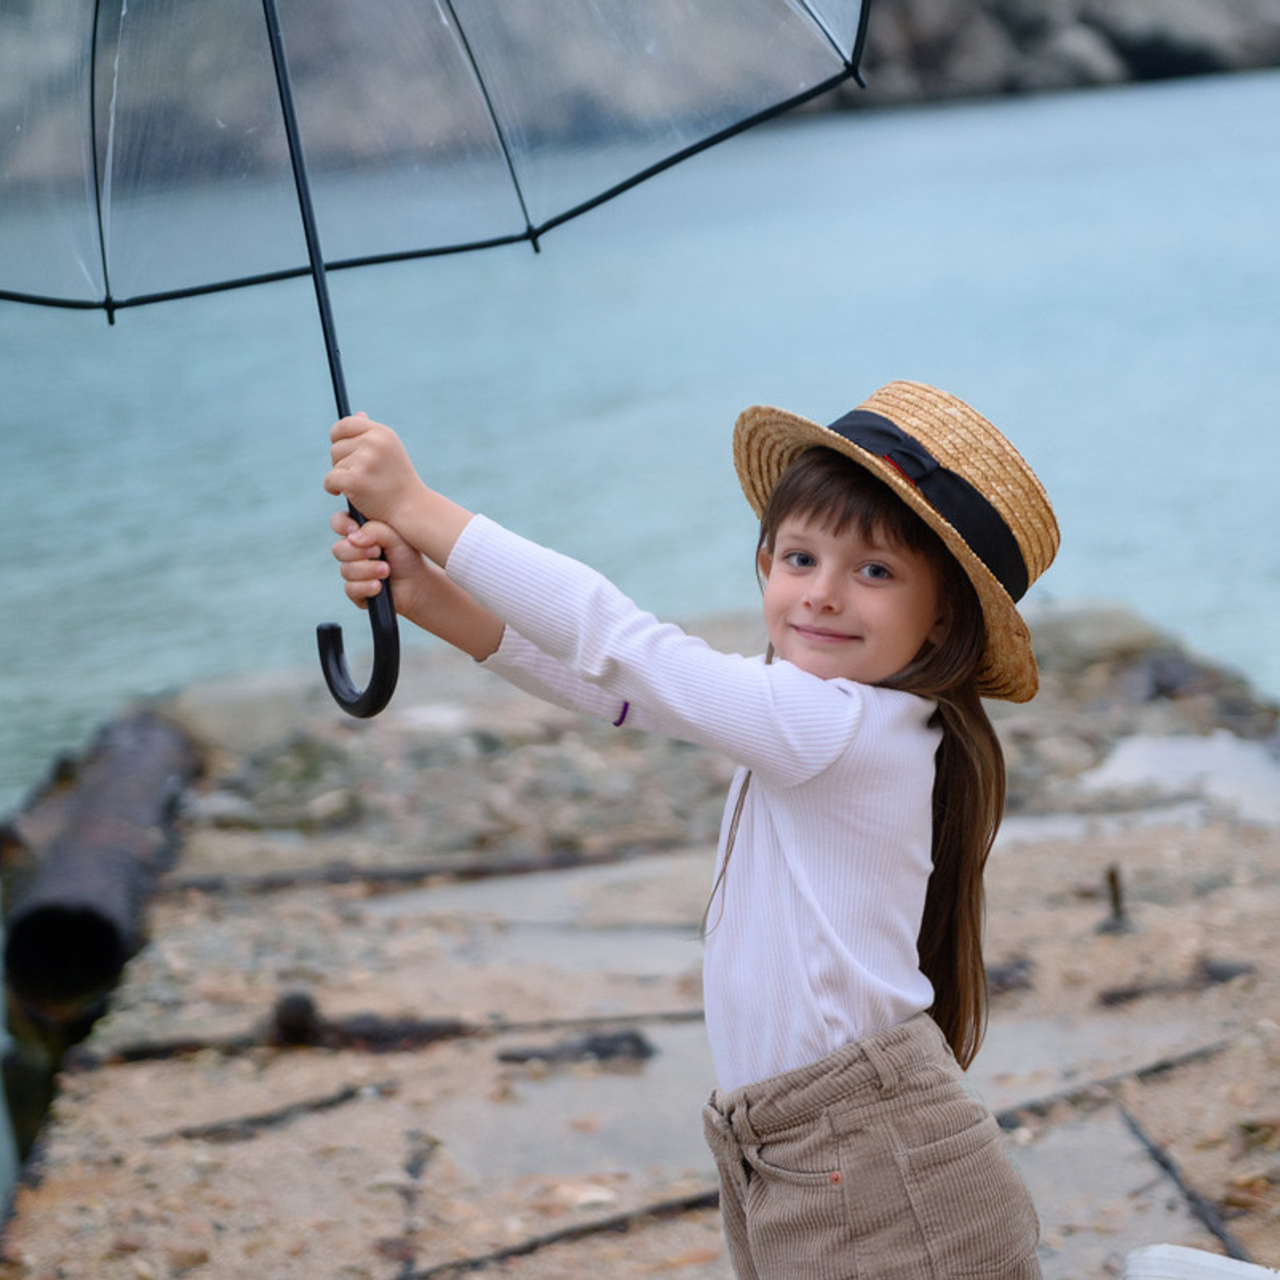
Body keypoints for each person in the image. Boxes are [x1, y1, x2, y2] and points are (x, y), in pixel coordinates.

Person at [325, 380, 1059, 1279]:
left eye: (874, 571)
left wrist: (421, 508)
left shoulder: (846, 728)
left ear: (942, 615)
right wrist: (434, 599)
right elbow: (622, 693)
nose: (822, 595)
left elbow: (624, 644)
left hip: (871, 1164)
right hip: (801, 1144)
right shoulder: (822, 716)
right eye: (799, 559)